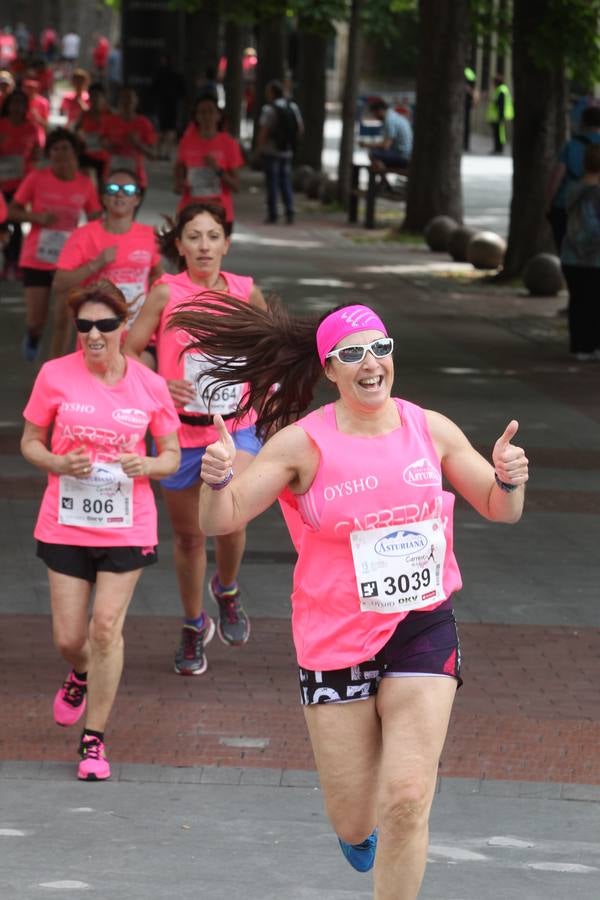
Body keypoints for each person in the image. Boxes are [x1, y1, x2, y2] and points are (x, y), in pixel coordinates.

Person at [170, 297, 528, 898]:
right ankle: (355, 830)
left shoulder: (429, 428)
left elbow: (500, 507)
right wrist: (216, 480)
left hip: (421, 623)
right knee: (356, 816)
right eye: (352, 353)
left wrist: (510, 478)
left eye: (380, 348)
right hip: (334, 639)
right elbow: (219, 519)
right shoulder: (300, 443)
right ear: (329, 368)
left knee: (409, 800)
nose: (371, 363)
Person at [20, 280, 180, 781]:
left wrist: (147, 466)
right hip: (65, 522)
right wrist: (56, 460)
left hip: (126, 524)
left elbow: (172, 454)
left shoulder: (149, 385)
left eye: (105, 326)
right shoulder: (54, 375)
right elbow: (30, 441)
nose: (94, 335)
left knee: (105, 626)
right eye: (85, 326)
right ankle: (80, 671)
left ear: (123, 328)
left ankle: (94, 740)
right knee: (71, 638)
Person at [124, 203, 267, 675]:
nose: (204, 246)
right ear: (179, 245)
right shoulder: (165, 292)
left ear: (227, 243)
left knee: (229, 518)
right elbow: (130, 350)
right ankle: (192, 623)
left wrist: (265, 393)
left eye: (212, 236)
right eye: (194, 237)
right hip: (180, 432)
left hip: (237, 427)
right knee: (188, 538)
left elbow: (269, 350)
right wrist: (160, 384)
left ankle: (226, 589)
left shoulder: (247, 293)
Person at [8, 128, 101, 361]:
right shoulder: (36, 178)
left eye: (65, 148)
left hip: (68, 261)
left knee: (63, 318)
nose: (60, 153)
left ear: (75, 153)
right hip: (36, 259)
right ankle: (33, 335)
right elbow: (12, 211)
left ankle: (56, 368)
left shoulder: (84, 183)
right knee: (36, 320)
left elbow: (96, 218)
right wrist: (37, 218)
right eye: (55, 149)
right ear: (49, 154)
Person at [51, 168, 162, 359]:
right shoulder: (83, 235)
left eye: (127, 189)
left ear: (136, 199)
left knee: (138, 375)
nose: (119, 193)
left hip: (138, 335)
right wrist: (96, 264)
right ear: (103, 198)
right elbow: (59, 282)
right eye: (112, 188)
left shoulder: (149, 234)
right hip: (97, 333)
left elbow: (157, 275)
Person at [174, 93, 243, 235]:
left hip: (220, 212)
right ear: (196, 116)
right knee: (189, 256)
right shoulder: (186, 142)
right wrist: (180, 182)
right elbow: (179, 171)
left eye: (211, 111)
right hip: (190, 210)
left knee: (213, 257)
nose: (206, 116)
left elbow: (236, 186)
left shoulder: (229, 144)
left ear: (218, 116)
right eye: (202, 112)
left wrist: (218, 169)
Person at [560, 143, 600, 361]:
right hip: (595, 258)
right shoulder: (596, 193)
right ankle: (593, 344)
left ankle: (579, 345)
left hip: (572, 254)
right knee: (595, 302)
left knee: (578, 301)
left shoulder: (573, 188)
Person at [546, 105, 600, 253]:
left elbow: (556, 178)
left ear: (583, 122)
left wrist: (548, 203)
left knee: (565, 248)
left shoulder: (571, 146)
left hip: (566, 205)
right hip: (595, 207)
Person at [0, 89, 42, 279]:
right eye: (13, 103)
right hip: (1, 181)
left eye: (20, 103)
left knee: (15, 221)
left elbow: (37, 152)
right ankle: (7, 256)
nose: (17, 107)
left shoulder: (31, 128)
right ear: (7, 106)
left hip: (21, 183)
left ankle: (13, 262)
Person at [256, 80, 303, 225]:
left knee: (272, 183)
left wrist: (259, 148)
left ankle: (273, 214)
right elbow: (300, 128)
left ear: (271, 93)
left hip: (271, 151)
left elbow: (263, 131)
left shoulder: (269, 109)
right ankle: (289, 211)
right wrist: (291, 143)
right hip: (286, 151)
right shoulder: (292, 106)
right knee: (285, 182)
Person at [102, 86, 157, 192]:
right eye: (123, 98)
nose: (126, 102)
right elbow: (101, 142)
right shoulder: (109, 121)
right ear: (118, 101)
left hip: (136, 178)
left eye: (130, 99)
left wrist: (137, 144)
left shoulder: (144, 123)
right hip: (112, 176)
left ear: (136, 101)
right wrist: (107, 145)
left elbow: (153, 154)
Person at [359, 98, 413, 176]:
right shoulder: (395, 116)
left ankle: (383, 181)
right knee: (377, 157)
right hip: (406, 154)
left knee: (373, 154)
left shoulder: (389, 120)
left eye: (375, 114)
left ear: (380, 110)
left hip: (403, 156)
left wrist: (366, 144)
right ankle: (383, 180)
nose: (375, 116)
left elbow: (386, 145)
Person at [75, 81, 111, 186]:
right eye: (92, 96)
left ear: (104, 98)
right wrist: (79, 136)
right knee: (87, 186)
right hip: (87, 156)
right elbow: (76, 130)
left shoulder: (111, 115)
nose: (95, 100)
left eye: (98, 96)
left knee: (102, 189)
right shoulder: (84, 115)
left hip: (105, 159)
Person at [151, 54, 186, 161]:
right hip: (173, 104)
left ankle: (158, 152)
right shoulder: (177, 74)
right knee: (171, 129)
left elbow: (153, 88)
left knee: (161, 129)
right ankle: (167, 153)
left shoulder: (159, 73)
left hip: (162, 104)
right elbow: (183, 91)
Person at [485, 74, 514, 155]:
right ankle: (498, 149)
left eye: (493, 82)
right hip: (499, 116)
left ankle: (498, 149)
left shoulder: (501, 90)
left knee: (499, 134)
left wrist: (500, 117)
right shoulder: (501, 89)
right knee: (499, 134)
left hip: (499, 116)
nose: (492, 84)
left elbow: (500, 104)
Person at [463, 66, 479, 152]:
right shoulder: (470, 72)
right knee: (466, 126)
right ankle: (465, 144)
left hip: (465, 105)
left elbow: (473, 90)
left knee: (465, 126)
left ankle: (465, 144)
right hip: (466, 105)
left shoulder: (466, 72)